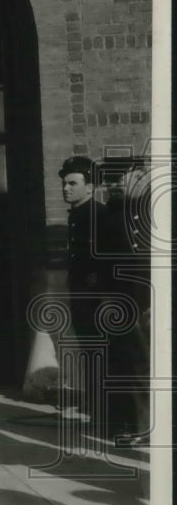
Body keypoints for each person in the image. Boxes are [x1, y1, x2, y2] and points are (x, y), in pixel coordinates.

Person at [99, 155, 152, 446]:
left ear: (140, 174)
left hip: (153, 301)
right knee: (136, 365)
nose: (114, 186)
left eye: (120, 179)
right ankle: (143, 425)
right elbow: (106, 262)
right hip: (125, 302)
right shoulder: (111, 213)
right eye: (110, 181)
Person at [60, 155, 114, 436]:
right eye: (64, 183)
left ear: (90, 186)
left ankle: (106, 418)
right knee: (91, 356)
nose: (66, 188)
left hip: (97, 301)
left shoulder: (100, 214)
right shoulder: (78, 215)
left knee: (101, 358)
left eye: (73, 183)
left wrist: (101, 288)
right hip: (82, 299)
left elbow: (112, 258)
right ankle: (98, 415)